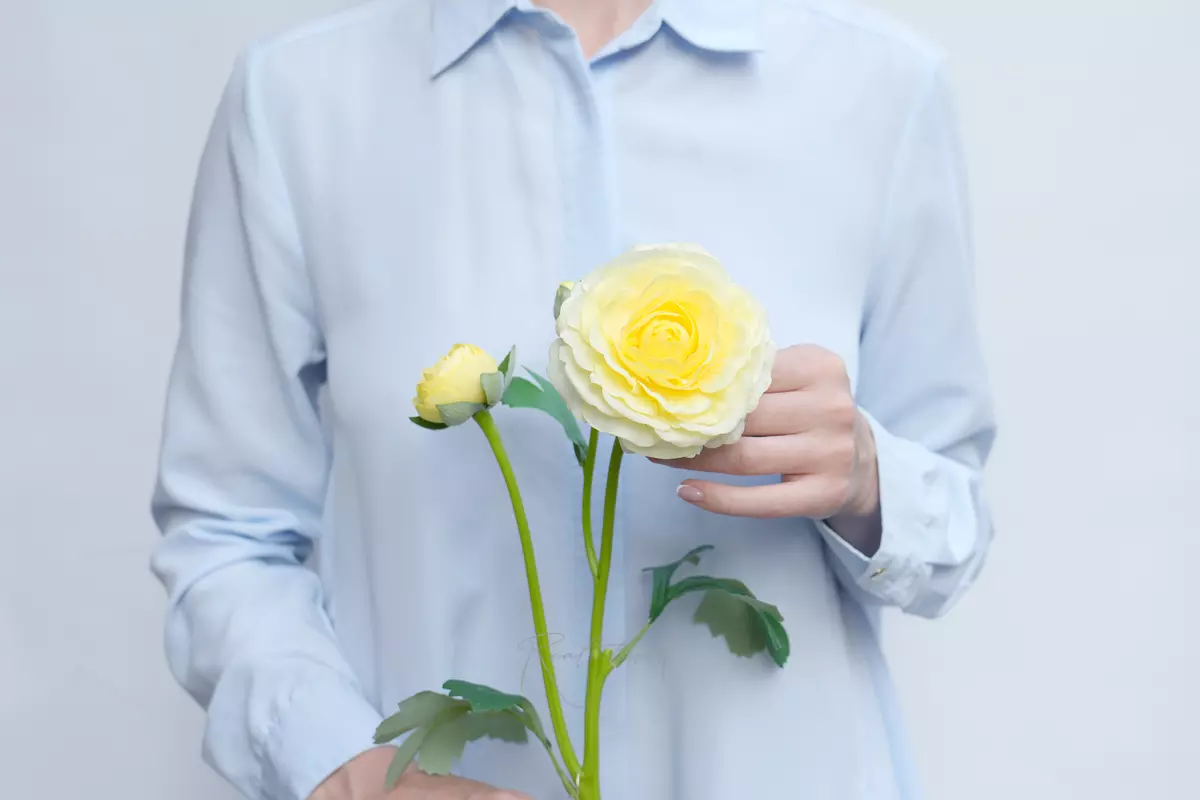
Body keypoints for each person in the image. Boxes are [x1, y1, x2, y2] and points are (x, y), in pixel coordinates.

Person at [150, 0, 996, 798]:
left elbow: (954, 532)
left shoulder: (881, 90)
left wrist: (867, 475)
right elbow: (225, 534)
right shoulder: (300, 101)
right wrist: (337, 758)